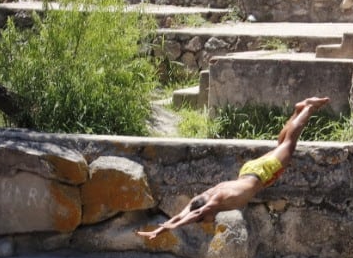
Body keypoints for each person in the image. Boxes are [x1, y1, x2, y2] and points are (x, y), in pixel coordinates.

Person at [137, 96, 330, 241]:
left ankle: (309, 108)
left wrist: (165, 230)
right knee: (281, 145)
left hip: (259, 173)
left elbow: (193, 215)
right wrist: (163, 226)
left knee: (288, 144)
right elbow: (183, 213)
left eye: (205, 219)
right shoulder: (205, 196)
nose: (208, 222)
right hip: (250, 172)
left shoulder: (214, 202)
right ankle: (297, 111)